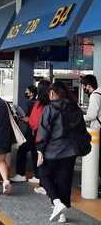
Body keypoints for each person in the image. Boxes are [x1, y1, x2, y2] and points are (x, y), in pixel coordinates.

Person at [37, 81, 86, 222]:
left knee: (44, 175)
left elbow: (44, 131)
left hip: (53, 150)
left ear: (52, 93)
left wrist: (40, 150)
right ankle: (62, 215)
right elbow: (82, 130)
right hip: (71, 150)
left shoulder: (50, 108)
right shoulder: (76, 109)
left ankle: (57, 203)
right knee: (64, 180)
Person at [25, 80, 51, 195]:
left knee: (41, 160)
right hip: (54, 137)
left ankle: (43, 185)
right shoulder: (53, 102)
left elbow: (33, 122)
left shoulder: (39, 103)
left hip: (41, 135)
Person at [11, 85, 38, 183]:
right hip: (37, 133)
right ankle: (37, 175)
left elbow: (28, 119)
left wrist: (20, 117)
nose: (25, 92)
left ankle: (21, 174)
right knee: (35, 153)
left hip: (31, 132)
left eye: (27, 91)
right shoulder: (38, 103)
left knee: (22, 150)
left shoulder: (30, 104)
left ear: (31, 93)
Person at [80, 75, 101, 179]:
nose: (84, 88)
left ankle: (95, 184)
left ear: (88, 86)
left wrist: (80, 117)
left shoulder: (95, 95)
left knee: (97, 158)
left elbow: (92, 115)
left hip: (97, 129)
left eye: (84, 86)